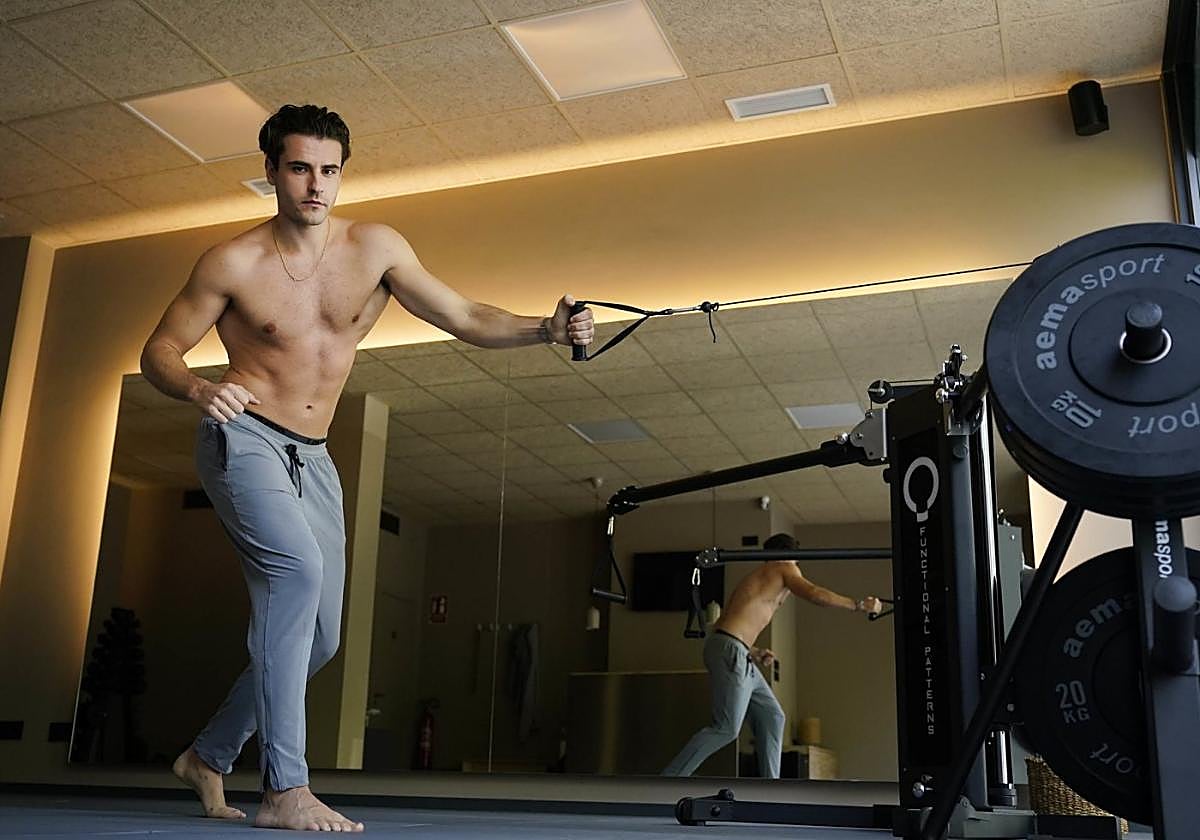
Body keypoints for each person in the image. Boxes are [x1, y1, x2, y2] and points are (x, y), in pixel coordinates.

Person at [140, 104, 594, 832]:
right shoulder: (233, 263)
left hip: (314, 457)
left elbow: (467, 316)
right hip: (244, 435)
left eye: (329, 170)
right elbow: (157, 350)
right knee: (295, 575)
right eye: (299, 168)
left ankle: (209, 756)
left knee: (319, 637)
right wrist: (199, 386)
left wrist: (545, 328)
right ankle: (285, 789)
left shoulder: (376, 249)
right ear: (271, 173)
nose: (316, 185)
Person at [663, 533, 882, 779]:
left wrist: (754, 651)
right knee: (726, 729)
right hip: (731, 650)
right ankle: (669, 780)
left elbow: (726, 625)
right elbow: (814, 593)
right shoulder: (783, 567)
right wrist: (858, 604)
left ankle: (771, 789)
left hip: (736, 650)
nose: (797, 567)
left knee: (773, 716)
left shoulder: (762, 576)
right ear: (791, 555)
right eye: (797, 561)